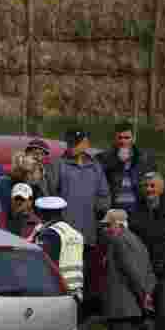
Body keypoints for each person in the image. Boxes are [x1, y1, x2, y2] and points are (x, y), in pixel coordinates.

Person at [47, 128, 111, 308]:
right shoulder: (58, 165)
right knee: (64, 281)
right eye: (70, 143)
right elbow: (49, 194)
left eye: (76, 143)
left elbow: (104, 195)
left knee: (85, 280)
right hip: (64, 236)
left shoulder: (95, 168)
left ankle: (82, 317)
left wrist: (99, 210)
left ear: (86, 144)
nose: (72, 147)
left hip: (88, 235)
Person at [101, 208, 156, 330]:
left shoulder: (118, 241)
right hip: (135, 305)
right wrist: (146, 295)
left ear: (118, 224)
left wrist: (143, 294)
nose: (105, 230)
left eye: (108, 225)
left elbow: (130, 271)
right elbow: (149, 271)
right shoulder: (138, 240)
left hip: (121, 305)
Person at [135, 172, 165, 330]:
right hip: (144, 272)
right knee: (145, 317)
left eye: (152, 186)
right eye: (146, 186)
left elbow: (156, 232)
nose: (149, 190)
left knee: (164, 316)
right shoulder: (138, 210)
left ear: (161, 188)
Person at [99, 123, 155, 222]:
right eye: (120, 138)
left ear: (133, 138)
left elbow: (153, 182)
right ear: (115, 139)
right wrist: (117, 161)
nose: (123, 141)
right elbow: (100, 182)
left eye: (127, 138)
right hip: (115, 209)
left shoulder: (143, 158)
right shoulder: (105, 158)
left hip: (137, 208)